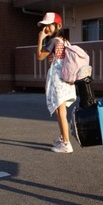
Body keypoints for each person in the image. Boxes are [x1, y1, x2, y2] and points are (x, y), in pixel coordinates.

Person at [36, 12, 76, 153]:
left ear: (58, 25)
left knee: (61, 113)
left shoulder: (53, 41)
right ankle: (63, 138)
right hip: (66, 80)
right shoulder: (65, 41)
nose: (46, 28)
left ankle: (66, 143)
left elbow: (40, 56)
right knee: (61, 112)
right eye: (44, 26)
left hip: (58, 80)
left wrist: (40, 39)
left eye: (49, 25)